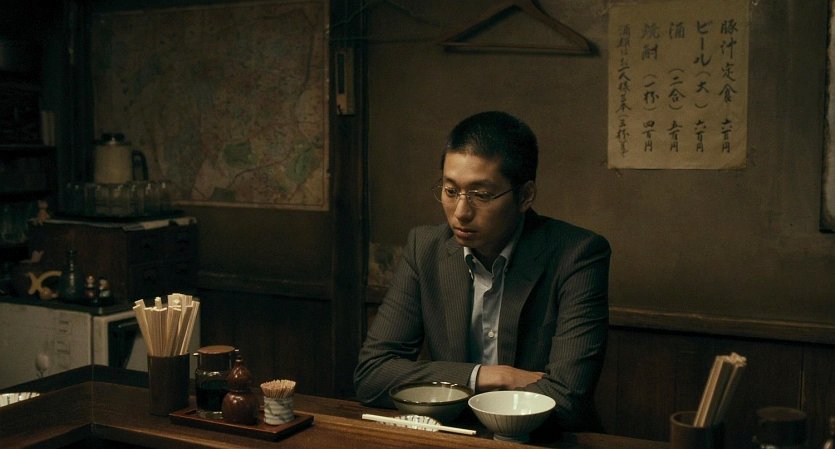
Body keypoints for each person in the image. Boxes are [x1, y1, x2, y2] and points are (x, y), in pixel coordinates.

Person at [353, 111, 611, 433]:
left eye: (482, 195)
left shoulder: (578, 254)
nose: (461, 212)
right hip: (453, 436)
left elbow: (567, 399)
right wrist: (490, 376)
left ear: (525, 196)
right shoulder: (426, 248)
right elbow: (372, 375)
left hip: (545, 439)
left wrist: (447, 388)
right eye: (450, 191)